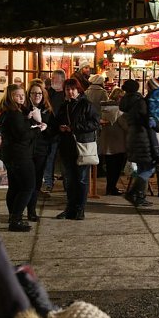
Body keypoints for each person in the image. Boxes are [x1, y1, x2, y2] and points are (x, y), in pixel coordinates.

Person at [0, 83, 44, 232]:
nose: (22, 98)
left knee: (15, 187)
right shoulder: (14, 114)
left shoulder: (9, 112)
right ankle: (16, 219)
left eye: (23, 95)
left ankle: (13, 216)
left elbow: (18, 130)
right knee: (28, 186)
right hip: (20, 155)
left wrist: (27, 118)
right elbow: (23, 135)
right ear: (10, 97)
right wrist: (38, 129)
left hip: (10, 154)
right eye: (18, 95)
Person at [55, 78, 100, 220]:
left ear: (78, 89)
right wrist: (59, 127)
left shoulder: (86, 104)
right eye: (67, 89)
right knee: (69, 179)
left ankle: (80, 209)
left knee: (81, 179)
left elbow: (94, 123)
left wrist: (74, 128)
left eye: (73, 89)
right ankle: (70, 208)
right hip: (67, 146)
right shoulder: (64, 106)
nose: (70, 92)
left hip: (82, 145)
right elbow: (57, 121)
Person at [120, 79, 159, 208]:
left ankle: (140, 196)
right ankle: (133, 193)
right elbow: (147, 121)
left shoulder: (127, 101)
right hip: (142, 138)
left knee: (142, 167)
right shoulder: (140, 102)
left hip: (132, 137)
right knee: (149, 167)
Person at [25, 80, 56, 223]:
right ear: (29, 94)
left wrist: (45, 127)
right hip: (26, 150)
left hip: (41, 150)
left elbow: (53, 131)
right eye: (34, 93)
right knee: (26, 182)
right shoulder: (24, 109)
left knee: (36, 182)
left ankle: (31, 211)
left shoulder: (47, 110)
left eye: (39, 93)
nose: (37, 95)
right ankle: (16, 211)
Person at [42, 69, 67, 193]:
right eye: (52, 78)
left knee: (65, 159)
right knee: (50, 158)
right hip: (51, 131)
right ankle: (48, 182)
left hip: (64, 132)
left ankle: (67, 184)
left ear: (62, 80)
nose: (52, 80)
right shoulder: (48, 93)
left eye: (55, 78)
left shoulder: (67, 94)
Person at [99, 87, 127, 195]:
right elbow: (125, 126)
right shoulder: (119, 111)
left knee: (110, 167)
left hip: (107, 142)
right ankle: (112, 187)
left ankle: (109, 187)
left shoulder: (104, 109)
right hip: (118, 142)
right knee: (117, 167)